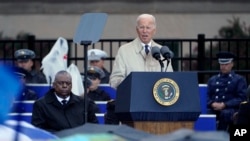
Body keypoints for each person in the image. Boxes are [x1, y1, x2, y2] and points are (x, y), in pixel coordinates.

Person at [109, 13, 173, 89]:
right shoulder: (124, 50)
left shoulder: (162, 51)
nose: (144, 31)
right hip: (133, 97)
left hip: (157, 98)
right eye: (141, 27)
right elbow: (114, 81)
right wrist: (133, 84)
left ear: (154, 30)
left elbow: (170, 80)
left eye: (148, 27)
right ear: (137, 30)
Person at [31, 70, 98, 133]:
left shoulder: (84, 103)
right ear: (54, 85)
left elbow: (93, 127)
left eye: (68, 83)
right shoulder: (41, 104)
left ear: (71, 85)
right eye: (61, 83)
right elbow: (39, 130)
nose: (64, 86)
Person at [206, 51, 247, 131]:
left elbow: (242, 98)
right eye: (221, 64)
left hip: (231, 109)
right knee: (206, 114)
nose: (223, 67)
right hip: (214, 107)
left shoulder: (239, 80)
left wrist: (225, 104)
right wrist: (211, 103)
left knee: (226, 114)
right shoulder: (212, 80)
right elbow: (206, 95)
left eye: (226, 64)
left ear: (232, 64)